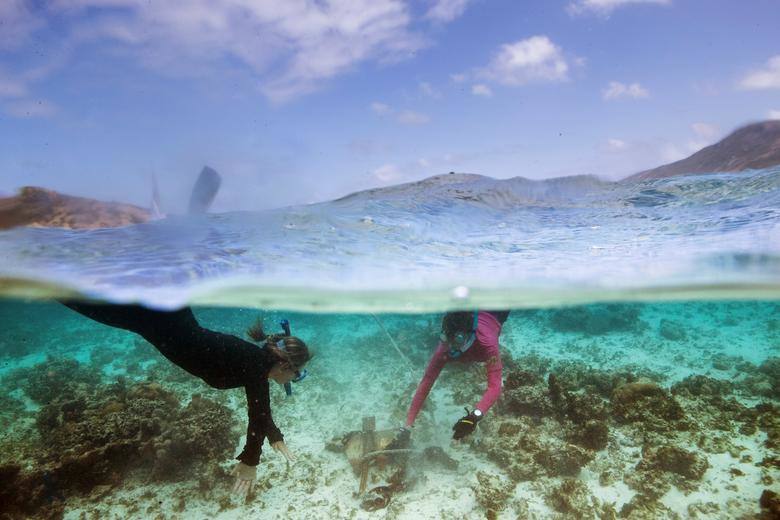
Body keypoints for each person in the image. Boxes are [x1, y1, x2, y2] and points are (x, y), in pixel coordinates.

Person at [61, 301, 311, 497]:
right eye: (297, 373)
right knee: (75, 298)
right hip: (160, 321)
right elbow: (258, 416)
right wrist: (250, 463)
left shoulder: (257, 365)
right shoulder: (256, 368)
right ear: (284, 364)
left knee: (79, 298)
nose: (295, 378)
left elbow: (260, 411)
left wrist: (275, 437)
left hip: (163, 322)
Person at [392, 310, 509, 446]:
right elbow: (426, 382)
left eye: (458, 340)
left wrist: (474, 417)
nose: (451, 346)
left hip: (495, 314)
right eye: (446, 338)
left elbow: (495, 387)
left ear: (469, 334)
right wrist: (407, 426)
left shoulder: (487, 343)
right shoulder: (444, 347)